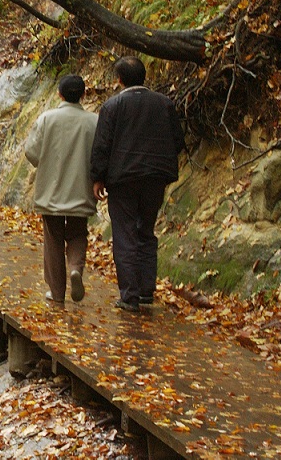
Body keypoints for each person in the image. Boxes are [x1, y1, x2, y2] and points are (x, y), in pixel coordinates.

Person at [90, 56, 185, 312]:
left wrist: (97, 177)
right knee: (146, 231)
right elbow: (177, 140)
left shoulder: (112, 106)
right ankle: (145, 290)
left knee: (125, 233)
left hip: (123, 179)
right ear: (144, 77)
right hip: (155, 177)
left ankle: (130, 295)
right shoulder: (164, 104)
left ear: (119, 80)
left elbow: (102, 145)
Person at [24, 74, 98, 304]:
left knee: (53, 239)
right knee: (77, 232)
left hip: (52, 190)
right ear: (84, 95)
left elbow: (31, 153)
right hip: (80, 189)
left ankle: (57, 293)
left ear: (59, 94)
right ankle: (76, 268)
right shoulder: (94, 122)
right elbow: (100, 157)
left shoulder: (47, 119)